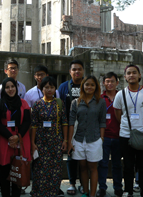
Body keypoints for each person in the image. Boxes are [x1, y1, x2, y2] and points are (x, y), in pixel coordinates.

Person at [114, 64, 143, 197]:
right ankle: (128, 190)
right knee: (128, 165)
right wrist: (128, 125)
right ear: (125, 77)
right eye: (128, 73)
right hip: (126, 135)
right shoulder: (120, 94)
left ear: (139, 75)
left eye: (134, 72)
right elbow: (117, 114)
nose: (131, 75)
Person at [68, 76, 106, 197]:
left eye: (92, 85)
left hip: (94, 139)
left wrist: (101, 138)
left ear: (96, 87)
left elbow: (102, 122)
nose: (89, 87)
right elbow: (71, 123)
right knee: (83, 167)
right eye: (87, 84)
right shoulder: (76, 102)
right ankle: (86, 192)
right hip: (79, 139)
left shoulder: (100, 102)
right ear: (83, 86)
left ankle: (93, 195)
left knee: (93, 167)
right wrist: (69, 141)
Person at [0, 78, 31, 197]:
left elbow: (27, 122)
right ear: (4, 89)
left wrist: (17, 137)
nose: (10, 89)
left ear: (16, 88)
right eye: (7, 87)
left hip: (21, 139)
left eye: (12, 86)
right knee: (4, 172)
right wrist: (10, 137)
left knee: (18, 170)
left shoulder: (23, 103)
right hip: (5, 140)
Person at [31, 76, 68, 197]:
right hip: (41, 142)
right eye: (46, 87)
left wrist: (65, 140)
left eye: (52, 87)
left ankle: (53, 192)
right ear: (42, 89)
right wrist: (32, 143)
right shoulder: (37, 105)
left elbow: (64, 123)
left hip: (56, 141)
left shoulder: (59, 103)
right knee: (40, 169)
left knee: (55, 169)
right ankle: (39, 192)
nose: (49, 90)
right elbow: (34, 125)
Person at [58, 60, 84, 195]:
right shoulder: (63, 87)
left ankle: (84, 184)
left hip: (86, 126)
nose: (77, 72)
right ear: (70, 72)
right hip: (69, 126)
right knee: (70, 154)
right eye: (74, 69)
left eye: (79, 69)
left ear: (83, 71)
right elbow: (60, 107)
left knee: (85, 157)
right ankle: (72, 183)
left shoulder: (88, 85)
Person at [97, 72, 123, 197]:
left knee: (117, 164)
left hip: (119, 136)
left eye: (112, 81)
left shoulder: (122, 96)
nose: (110, 84)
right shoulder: (100, 98)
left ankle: (118, 187)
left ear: (117, 82)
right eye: (107, 81)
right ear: (103, 83)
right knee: (102, 163)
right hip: (104, 137)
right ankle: (102, 187)